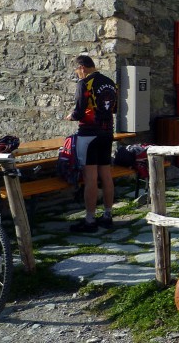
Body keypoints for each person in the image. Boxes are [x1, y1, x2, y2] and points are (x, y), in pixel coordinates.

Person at [65, 55, 118, 233]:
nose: (78, 75)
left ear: (82, 68)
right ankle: (108, 215)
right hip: (107, 132)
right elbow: (115, 108)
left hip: (89, 133)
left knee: (90, 178)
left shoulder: (85, 83)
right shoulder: (110, 82)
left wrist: (71, 116)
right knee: (106, 174)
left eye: (77, 71)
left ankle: (89, 220)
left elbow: (79, 111)